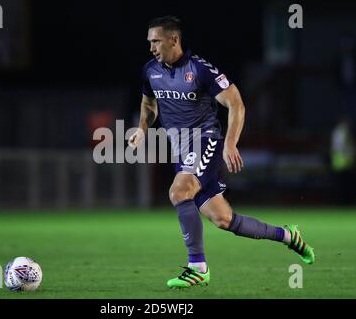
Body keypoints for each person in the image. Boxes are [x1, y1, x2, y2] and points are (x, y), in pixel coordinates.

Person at [128, 16, 315, 289]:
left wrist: (229, 143)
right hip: (181, 150)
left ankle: (198, 268)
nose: (151, 47)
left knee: (179, 191)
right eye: (149, 42)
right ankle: (289, 236)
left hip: (205, 141)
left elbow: (236, 104)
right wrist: (142, 128)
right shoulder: (150, 70)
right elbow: (149, 104)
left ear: (174, 39)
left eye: (156, 41)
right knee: (224, 219)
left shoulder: (201, 70)